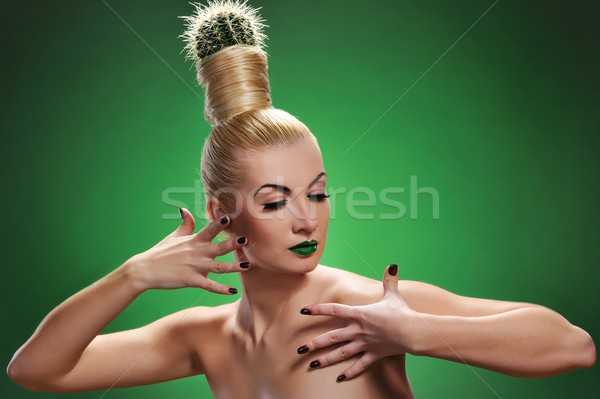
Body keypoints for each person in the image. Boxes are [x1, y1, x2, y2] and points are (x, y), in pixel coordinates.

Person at [7, 1, 596, 398]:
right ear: (221, 213)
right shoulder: (203, 338)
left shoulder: (364, 310)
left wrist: (414, 333)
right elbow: (35, 370)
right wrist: (132, 276)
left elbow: (572, 345)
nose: (306, 218)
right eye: (273, 201)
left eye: (317, 193)